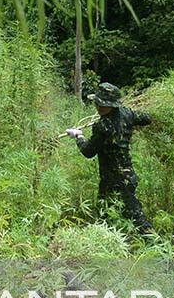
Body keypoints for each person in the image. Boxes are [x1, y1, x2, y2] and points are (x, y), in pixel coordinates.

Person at [65, 82, 154, 236]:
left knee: (138, 219)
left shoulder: (102, 126)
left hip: (118, 180)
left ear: (111, 105)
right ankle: (107, 242)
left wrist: (79, 136)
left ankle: (159, 250)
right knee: (104, 212)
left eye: (101, 104)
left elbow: (88, 151)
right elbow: (147, 118)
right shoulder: (127, 113)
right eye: (97, 104)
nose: (98, 107)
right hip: (119, 177)